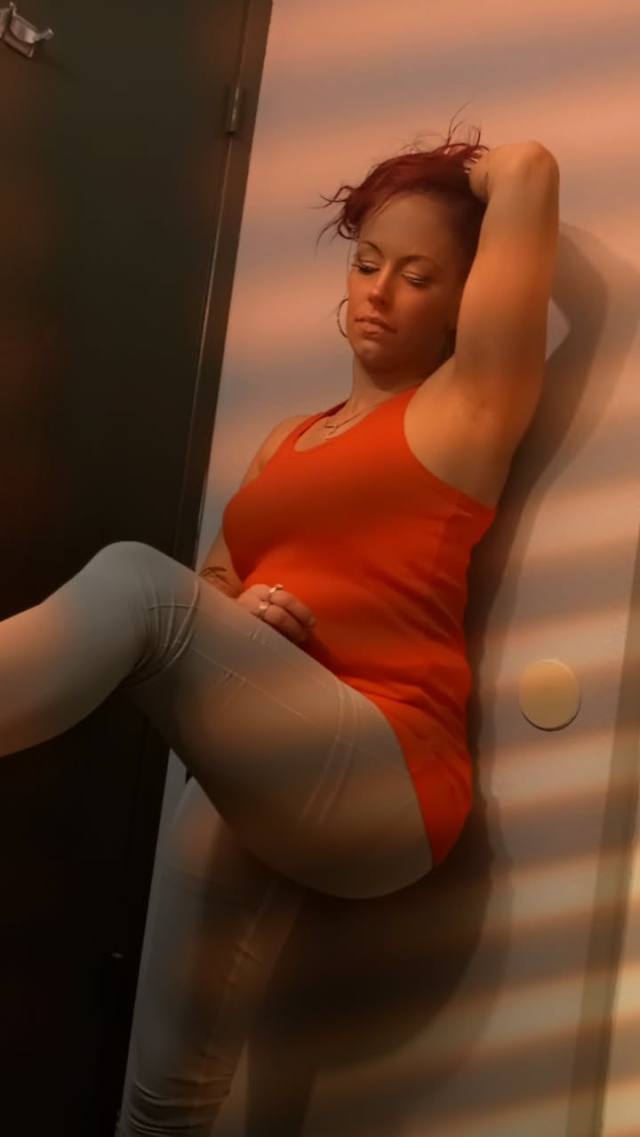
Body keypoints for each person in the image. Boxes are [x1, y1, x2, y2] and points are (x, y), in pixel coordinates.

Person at [0, 122, 559, 1134]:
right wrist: (239, 615)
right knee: (165, 1097)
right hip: (274, 756)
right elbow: (211, 591)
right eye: (366, 263)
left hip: (391, 767)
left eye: (418, 276)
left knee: (135, 583)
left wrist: (468, 172)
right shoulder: (286, 441)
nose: (379, 292)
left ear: (462, 302)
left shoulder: (465, 411)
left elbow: (529, 171)